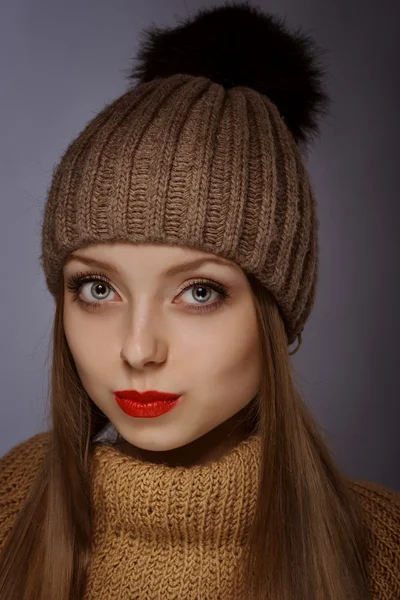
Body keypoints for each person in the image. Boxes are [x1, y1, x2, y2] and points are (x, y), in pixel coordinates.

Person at [0, 3, 399, 599]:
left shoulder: (384, 548)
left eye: (199, 291)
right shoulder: (11, 499)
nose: (138, 349)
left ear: (275, 312)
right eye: (98, 288)